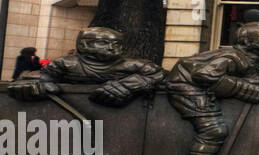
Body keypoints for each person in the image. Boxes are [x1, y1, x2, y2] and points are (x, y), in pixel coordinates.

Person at [164, 21, 259, 155]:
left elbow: (242, 76)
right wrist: (245, 89)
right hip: (185, 87)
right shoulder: (232, 57)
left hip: (196, 86)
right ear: (248, 42)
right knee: (214, 130)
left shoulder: (251, 59)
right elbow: (204, 76)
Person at [6, 28, 164, 105]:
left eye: (117, 44)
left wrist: (131, 85)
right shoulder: (65, 63)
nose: (112, 48)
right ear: (84, 44)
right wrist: (28, 84)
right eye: (104, 43)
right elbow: (42, 77)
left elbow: (161, 75)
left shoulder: (135, 65)